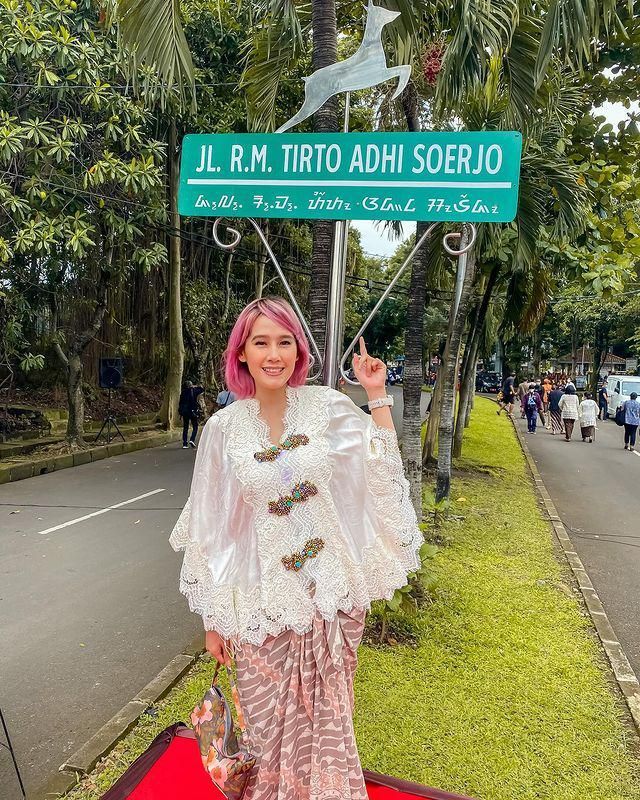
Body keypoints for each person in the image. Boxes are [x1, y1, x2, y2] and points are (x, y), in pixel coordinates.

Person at [169, 296, 422, 800]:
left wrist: (376, 394)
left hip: (330, 601)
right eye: (261, 342)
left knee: (328, 730)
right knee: (264, 735)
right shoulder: (223, 429)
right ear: (241, 352)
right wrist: (213, 619)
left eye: (285, 342)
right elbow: (212, 528)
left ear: (298, 351)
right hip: (263, 607)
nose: (274, 354)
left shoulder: (327, 406)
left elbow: (379, 466)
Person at [178, 379, 204, 449]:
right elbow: (201, 389)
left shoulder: (183, 393)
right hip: (192, 411)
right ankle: (192, 439)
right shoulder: (194, 391)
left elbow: (180, 403)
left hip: (185, 412)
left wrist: (180, 412)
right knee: (195, 426)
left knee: (185, 427)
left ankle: (184, 443)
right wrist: (195, 386)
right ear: (191, 385)